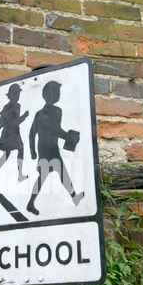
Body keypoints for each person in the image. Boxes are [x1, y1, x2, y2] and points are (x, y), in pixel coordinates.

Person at [26, 81, 84, 216]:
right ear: (52, 94)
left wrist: (34, 151)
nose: (59, 94)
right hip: (50, 148)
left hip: (43, 147)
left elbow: (32, 134)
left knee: (53, 174)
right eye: (57, 91)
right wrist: (69, 137)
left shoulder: (39, 113)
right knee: (56, 173)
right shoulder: (56, 111)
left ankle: (31, 203)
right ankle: (73, 196)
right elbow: (55, 130)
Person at [0, 83, 29, 185]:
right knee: (17, 150)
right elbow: (16, 121)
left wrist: (9, 123)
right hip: (11, 133)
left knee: (11, 152)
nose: (17, 96)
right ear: (13, 95)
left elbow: (2, 122)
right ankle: (18, 175)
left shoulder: (6, 107)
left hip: (9, 133)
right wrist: (24, 116)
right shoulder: (16, 106)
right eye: (16, 94)